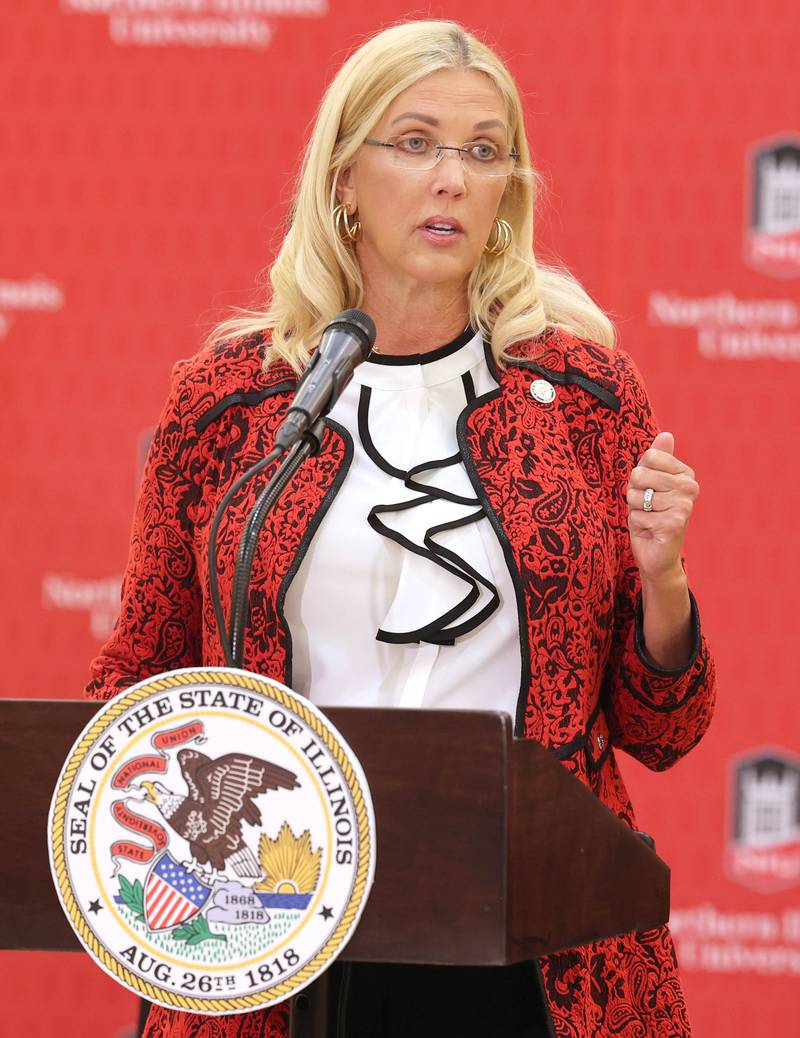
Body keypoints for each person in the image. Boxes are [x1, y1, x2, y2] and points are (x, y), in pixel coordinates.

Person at [86, 18, 716, 1038]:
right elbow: (138, 675)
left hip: (537, 952)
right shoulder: (231, 404)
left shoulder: (587, 395)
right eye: (415, 142)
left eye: (482, 150)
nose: (452, 179)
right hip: (274, 934)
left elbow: (661, 729)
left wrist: (666, 585)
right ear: (343, 179)